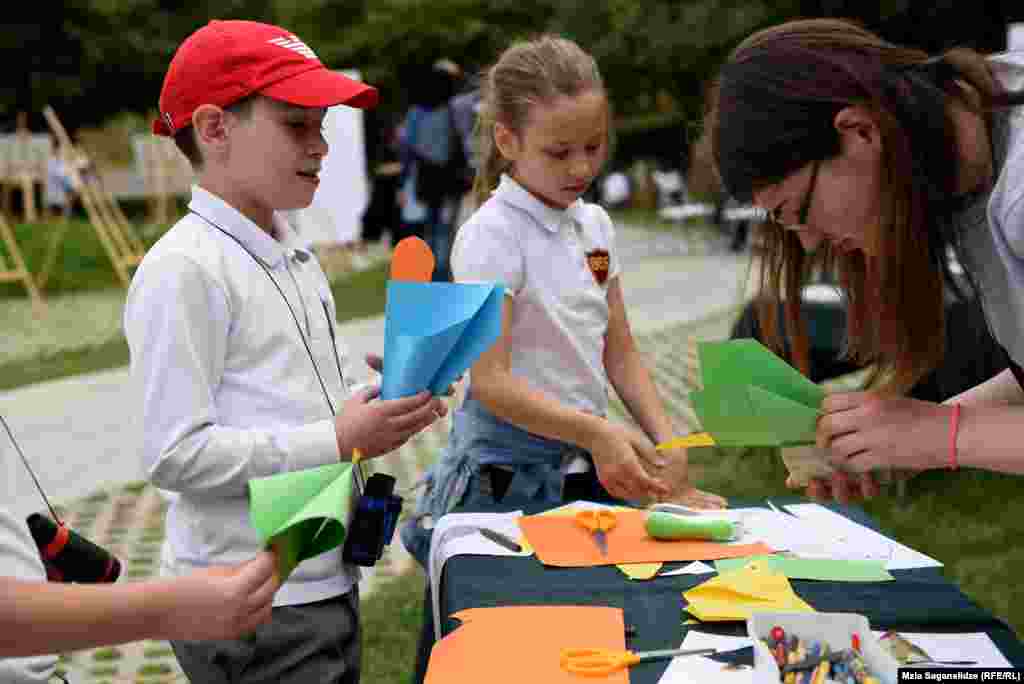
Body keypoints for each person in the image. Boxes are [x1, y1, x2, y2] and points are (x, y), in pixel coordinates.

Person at [125, 19, 447, 683]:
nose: (321, 146)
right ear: (215, 130)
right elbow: (173, 454)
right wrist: (337, 438)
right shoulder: (183, 268)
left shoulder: (290, 249)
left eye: (322, 126)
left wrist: (377, 409)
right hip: (250, 605)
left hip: (318, 577)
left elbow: (285, 402)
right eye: (296, 126)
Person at [402, 33, 725, 563]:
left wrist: (668, 442)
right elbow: (492, 381)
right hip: (505, 482)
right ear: (507, 141)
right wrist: (598, 432)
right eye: (559, 152)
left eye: (593, 147)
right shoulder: (491, 236)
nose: (580, 169)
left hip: (585, 466)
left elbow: (619, 351)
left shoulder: (595, 225)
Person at [703, 18, 1024, 502]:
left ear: (860, 132)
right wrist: (901, 441)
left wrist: (940, 435)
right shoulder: (965, 160)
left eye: (801, 212)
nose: (810, 244)